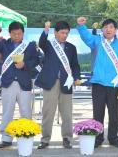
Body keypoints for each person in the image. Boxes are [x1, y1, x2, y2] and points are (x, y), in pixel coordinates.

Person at [77, 17, 118, 149]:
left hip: (114, 85)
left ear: (115, 30)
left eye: (111, 27)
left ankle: (113, 138)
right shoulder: (96, 41)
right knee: (98, 113)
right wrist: (81, 26)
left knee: (113, 113)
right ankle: (98, 138)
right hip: (98, 83)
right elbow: (86, 37)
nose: (108, 29)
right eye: (106, 27)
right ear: (102, 30)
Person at [36, 21, 81, 149]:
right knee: (48, 112)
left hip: (66, 83)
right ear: (55, 32)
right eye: (62, 32)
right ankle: (45, 139)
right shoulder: (49, 44)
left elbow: (75, 65)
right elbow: (41, 43)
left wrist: (76, 77)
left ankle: (67, 138)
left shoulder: (71, 48)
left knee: (67, 113)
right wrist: (46, 30)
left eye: (67, 33)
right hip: (50, 82)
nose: (64, 35)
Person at [0, 22, 39, 148]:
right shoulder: (2, 44)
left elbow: (36, 61)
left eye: (19, 34)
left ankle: (26, 136)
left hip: (24, 83)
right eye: (14, 34)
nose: (16, 36)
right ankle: (6, 138)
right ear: (9, 34)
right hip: (8, 82)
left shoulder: (30, 46)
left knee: (26, 112)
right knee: (7, 112)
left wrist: (24, 64)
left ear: (23, 33)